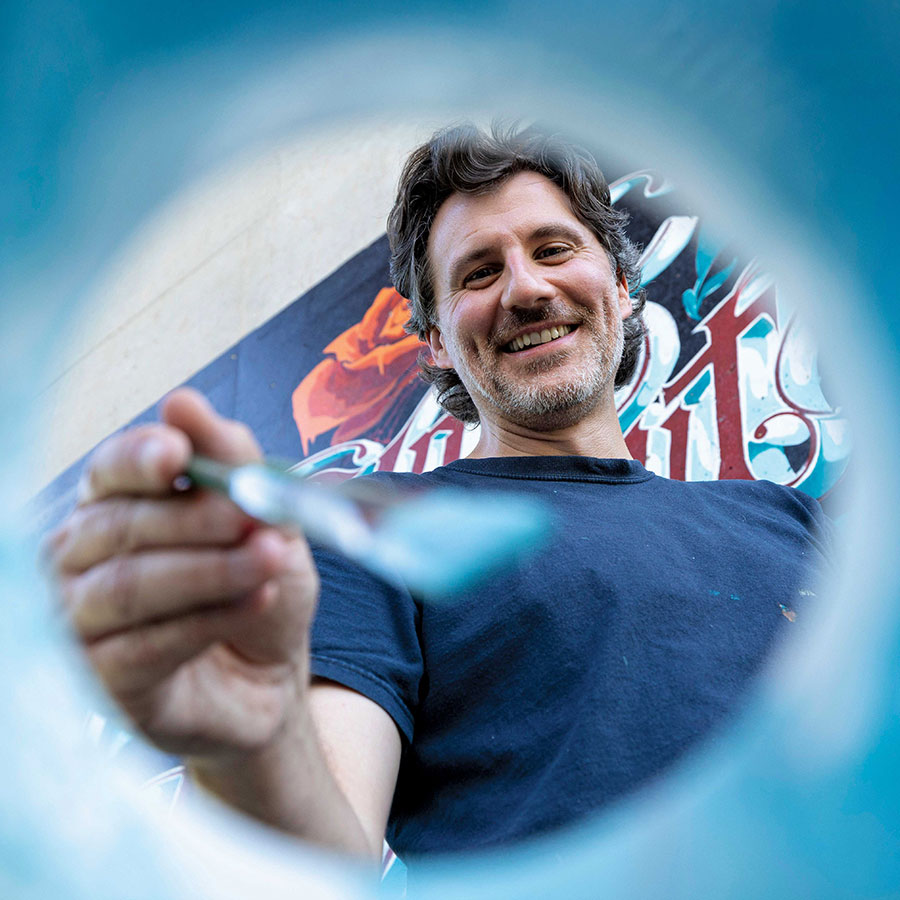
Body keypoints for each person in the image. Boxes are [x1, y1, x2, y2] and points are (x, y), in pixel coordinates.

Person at [46, 123, 830, 868]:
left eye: (554, 249)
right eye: (479, 273)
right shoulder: (372, 538)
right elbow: (320, 849)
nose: (526, 289)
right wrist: (250, 749)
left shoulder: (787, 519)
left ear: (623, 288)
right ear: (435, 345)